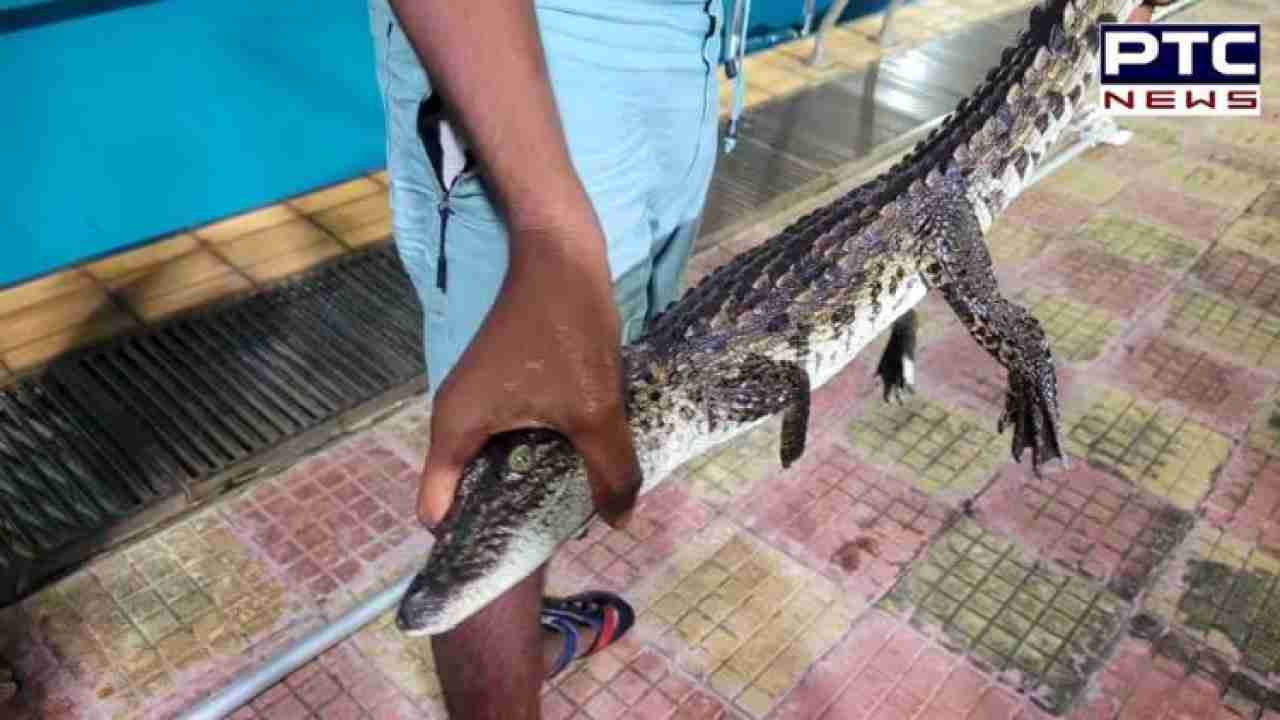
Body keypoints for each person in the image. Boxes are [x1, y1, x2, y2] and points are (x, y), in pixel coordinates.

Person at [367, 1, 1162, 718]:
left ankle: (520, 646)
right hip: (526, 48)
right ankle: (501, 689)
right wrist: (549, 227)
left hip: (690, 39)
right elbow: (783, 380)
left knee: (566, 396)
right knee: (500, 438)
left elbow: (786, 374)